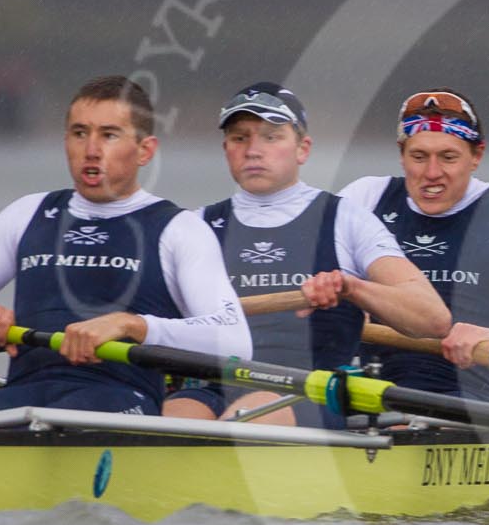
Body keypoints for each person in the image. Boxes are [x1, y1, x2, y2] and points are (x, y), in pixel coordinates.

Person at [0, 75, 251, 416]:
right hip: (23, 395)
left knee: (72, 418)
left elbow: (235, 342)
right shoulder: (27, 214)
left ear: (145, 150)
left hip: (119, 399)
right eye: (80, 133)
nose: (91, 150)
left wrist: (131, 325)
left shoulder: (179, 230)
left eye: (109, 135)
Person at [167, 82, 450, 426]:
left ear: (303, 149)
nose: (253, 150)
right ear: (226, 148)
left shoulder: (346, 220)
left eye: (271, 137)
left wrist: (351, 289)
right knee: (169, 423)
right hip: (212, 385)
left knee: (243, 420)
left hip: (308, 390)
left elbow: (433, 318)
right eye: (240, 138)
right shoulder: (195, 225)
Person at [308, 88, 489, 403]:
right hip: (366, 397)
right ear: (401, 155)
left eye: (448, 157)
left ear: (477, 156)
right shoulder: (363, 198)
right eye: (419, 157)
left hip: (466, 404)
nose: (432, 173)